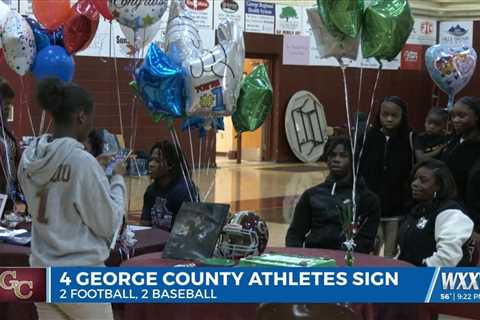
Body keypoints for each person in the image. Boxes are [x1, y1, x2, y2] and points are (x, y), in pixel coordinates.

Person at [18, 77, 127, 320]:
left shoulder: (28, 159)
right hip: (80, 276)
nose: (91, 124)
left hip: (41, 273)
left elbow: (57, 187)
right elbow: (109, 224)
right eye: (91, 118)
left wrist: (93, 171)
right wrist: (117, 180)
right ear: (81, 116)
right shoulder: (81, 162)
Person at [286, 137, 380, 253]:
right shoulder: (311, 195)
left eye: (343, 156)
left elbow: (366, 240)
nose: (336, 159)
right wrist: (297, 257)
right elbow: (295, 234)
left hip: (349, 261)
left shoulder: (367, 198)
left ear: (352, 160)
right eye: (332, 155)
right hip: (314, 258)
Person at [359, 96, 414, 257]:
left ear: (402, 116)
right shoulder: (369, 137)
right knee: (372, 247)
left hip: (397, 208)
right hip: (371, 205)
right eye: (385, 114)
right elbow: (361, 169)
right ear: (379, 115)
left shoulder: (409, 139)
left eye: (394, 115)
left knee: (391, 252)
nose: (389, 119)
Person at [398, 159, 474, 266]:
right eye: (414, 179)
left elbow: (447, 259)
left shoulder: (451, 213)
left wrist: (416, 273)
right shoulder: (416, 210)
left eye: (423, 180)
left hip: (438, 279)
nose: (414, 184)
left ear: (439, 186)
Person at [441, 97, 480, 231]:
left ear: (476, 117)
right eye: (453, 116)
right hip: (447, 209)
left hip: (471, 214)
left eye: (462, 116)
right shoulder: (452, 141)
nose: (455, 120)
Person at [140, 141, 197, 231]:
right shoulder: (151, 190)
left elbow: (186, 232)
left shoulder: (184, 191)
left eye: (157, 161)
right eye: (151, 160)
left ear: (170, 164)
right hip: (154, 242)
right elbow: (144, 226)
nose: (151, 164)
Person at [0, 77, 21, 212]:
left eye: (10, 105)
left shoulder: (7, 132)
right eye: (5, 104)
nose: (8, 108)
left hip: (9, 198)